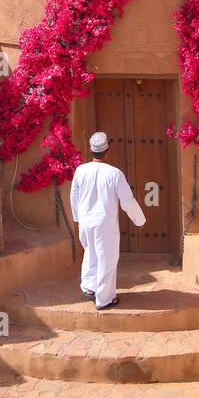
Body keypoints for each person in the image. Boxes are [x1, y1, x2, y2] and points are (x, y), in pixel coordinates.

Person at [70, 132, 146, 309]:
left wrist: (78, 218)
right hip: (104, 223)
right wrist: (139, 220)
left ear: (91, 150)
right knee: (107, 258)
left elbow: (74, 196)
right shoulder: (114, 174)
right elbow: (127, 201)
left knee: (90, 252)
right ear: (107, 150)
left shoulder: (81, 170)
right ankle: (104, 299)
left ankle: (89, 287)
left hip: (86, 221)